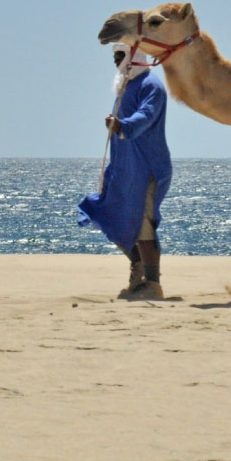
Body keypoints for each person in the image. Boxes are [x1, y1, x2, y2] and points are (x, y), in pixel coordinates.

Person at [78, 43, 173, 300]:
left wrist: (122, 125)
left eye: (120, 55)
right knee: (109, 216)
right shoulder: (125, 87)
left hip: (147, 168)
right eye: (115, 56)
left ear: (134, 57)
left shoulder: (151, 86)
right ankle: (138, 268)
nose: (116, 61)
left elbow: (146, 115)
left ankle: (152, 284)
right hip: (123, 170)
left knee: (143, 227)